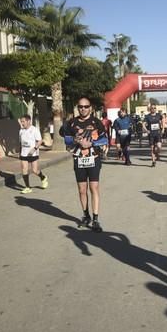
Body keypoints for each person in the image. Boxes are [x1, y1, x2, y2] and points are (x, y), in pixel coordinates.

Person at [61, 97, 105, 231]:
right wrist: (76, 141)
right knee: (82, 190)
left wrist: (91, 143)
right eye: (81, 106)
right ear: (77, 108)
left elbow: (104, 139)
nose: (83, 109)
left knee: (94, 188)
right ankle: (86, 216)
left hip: (94, 158)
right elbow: (67, 140)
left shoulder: (96, 122)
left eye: (86, 106)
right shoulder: (71, 123)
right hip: (79, 159)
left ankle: (95, 219)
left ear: (90, 108)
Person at [18, 115, 49, 194]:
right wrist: (20, 152)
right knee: (24, 169)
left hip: (33, 153)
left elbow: (40, 141)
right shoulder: (21, 131)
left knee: (34, 170)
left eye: (23, 121)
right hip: (24, 153)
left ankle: (43, 177)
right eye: (21, 121)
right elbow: (20, 143)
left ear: (28, 121)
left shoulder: (34, 130)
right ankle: (28, 187)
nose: (22, 123)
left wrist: (34, 149)